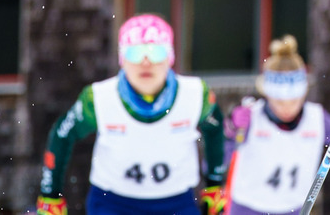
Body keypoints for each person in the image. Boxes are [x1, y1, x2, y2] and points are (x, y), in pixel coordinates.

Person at [35, 14, 227, 215]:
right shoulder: (98, 98)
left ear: (170, 58)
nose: (145, 62)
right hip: (113, 203)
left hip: (177, 202)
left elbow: (214, 128)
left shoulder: (195, 94)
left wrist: (214, 183)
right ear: (122, 59)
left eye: (156, 52)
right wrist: (50, 194)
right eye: (135, 53)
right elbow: (62, 134)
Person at [223, 35, 330, 215]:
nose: (287, 108)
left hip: (295, 210)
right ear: (268, 95)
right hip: (247, 209)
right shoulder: (252, 116)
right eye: (279, 101)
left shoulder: (317, 119)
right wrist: (230, 131)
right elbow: (216, 162)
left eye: (293, 100)